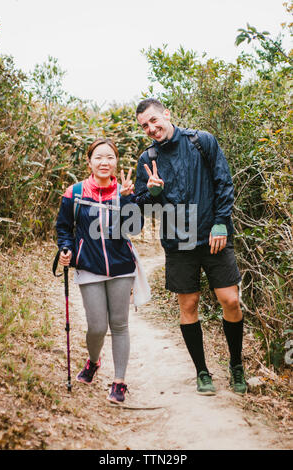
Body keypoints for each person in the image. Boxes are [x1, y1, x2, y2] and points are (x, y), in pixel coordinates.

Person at [135, 98, 247, 396]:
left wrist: (221, 221)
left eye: (154, 121)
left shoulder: (201, 142)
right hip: (178, 240)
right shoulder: (147, 159)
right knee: (189, 305)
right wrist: (151, 192)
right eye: (144, 126)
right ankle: (202, 371)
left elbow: (223, 182)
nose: (151, 128)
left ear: (167, 114)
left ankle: (237, 365)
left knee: (230, 300)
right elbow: (138, 208)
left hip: (214, 234)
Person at [56, 137, 143, 404]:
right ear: (89, 161)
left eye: (110, 157)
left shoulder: (125, 191)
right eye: (99, 157)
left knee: (119, 325)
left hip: (121, 267)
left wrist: (128, 200)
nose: (104, 162)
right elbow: (63, 228)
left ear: (116, 162)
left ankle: (119, 381)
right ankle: (93, 362)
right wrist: (66, 248)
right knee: (96, 327)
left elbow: (133, 229)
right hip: (89, 266)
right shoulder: (75, 193)